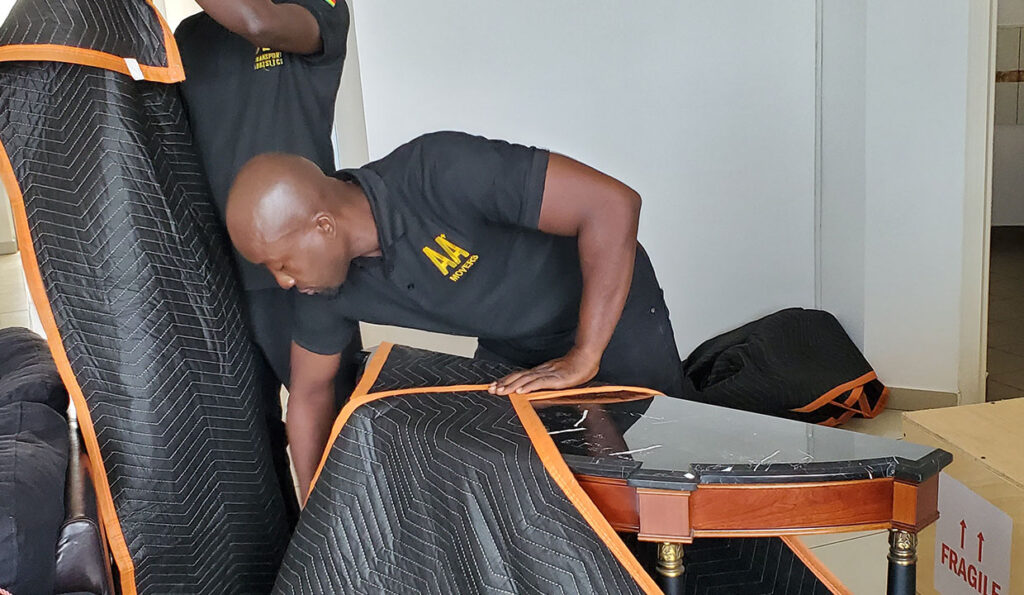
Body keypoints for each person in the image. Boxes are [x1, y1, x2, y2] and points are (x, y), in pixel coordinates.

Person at [225, 131, 686, 498]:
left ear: (323, 227)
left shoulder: (438, 170)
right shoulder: (322, 287)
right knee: (550, 491)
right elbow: (309, 395)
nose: (282, 281)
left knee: (662, 475)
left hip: (609, 313)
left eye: (281, 263)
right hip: (513, 346)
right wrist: (315, 509)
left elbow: (612, 204)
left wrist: (584, 356)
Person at [174, 0, 358, 519]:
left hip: (302, 273)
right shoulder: (189, 36)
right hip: (215, 274)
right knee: (246, 447)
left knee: (334, 428)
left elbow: (258, 22)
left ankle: (349, 552)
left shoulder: (315, 9)